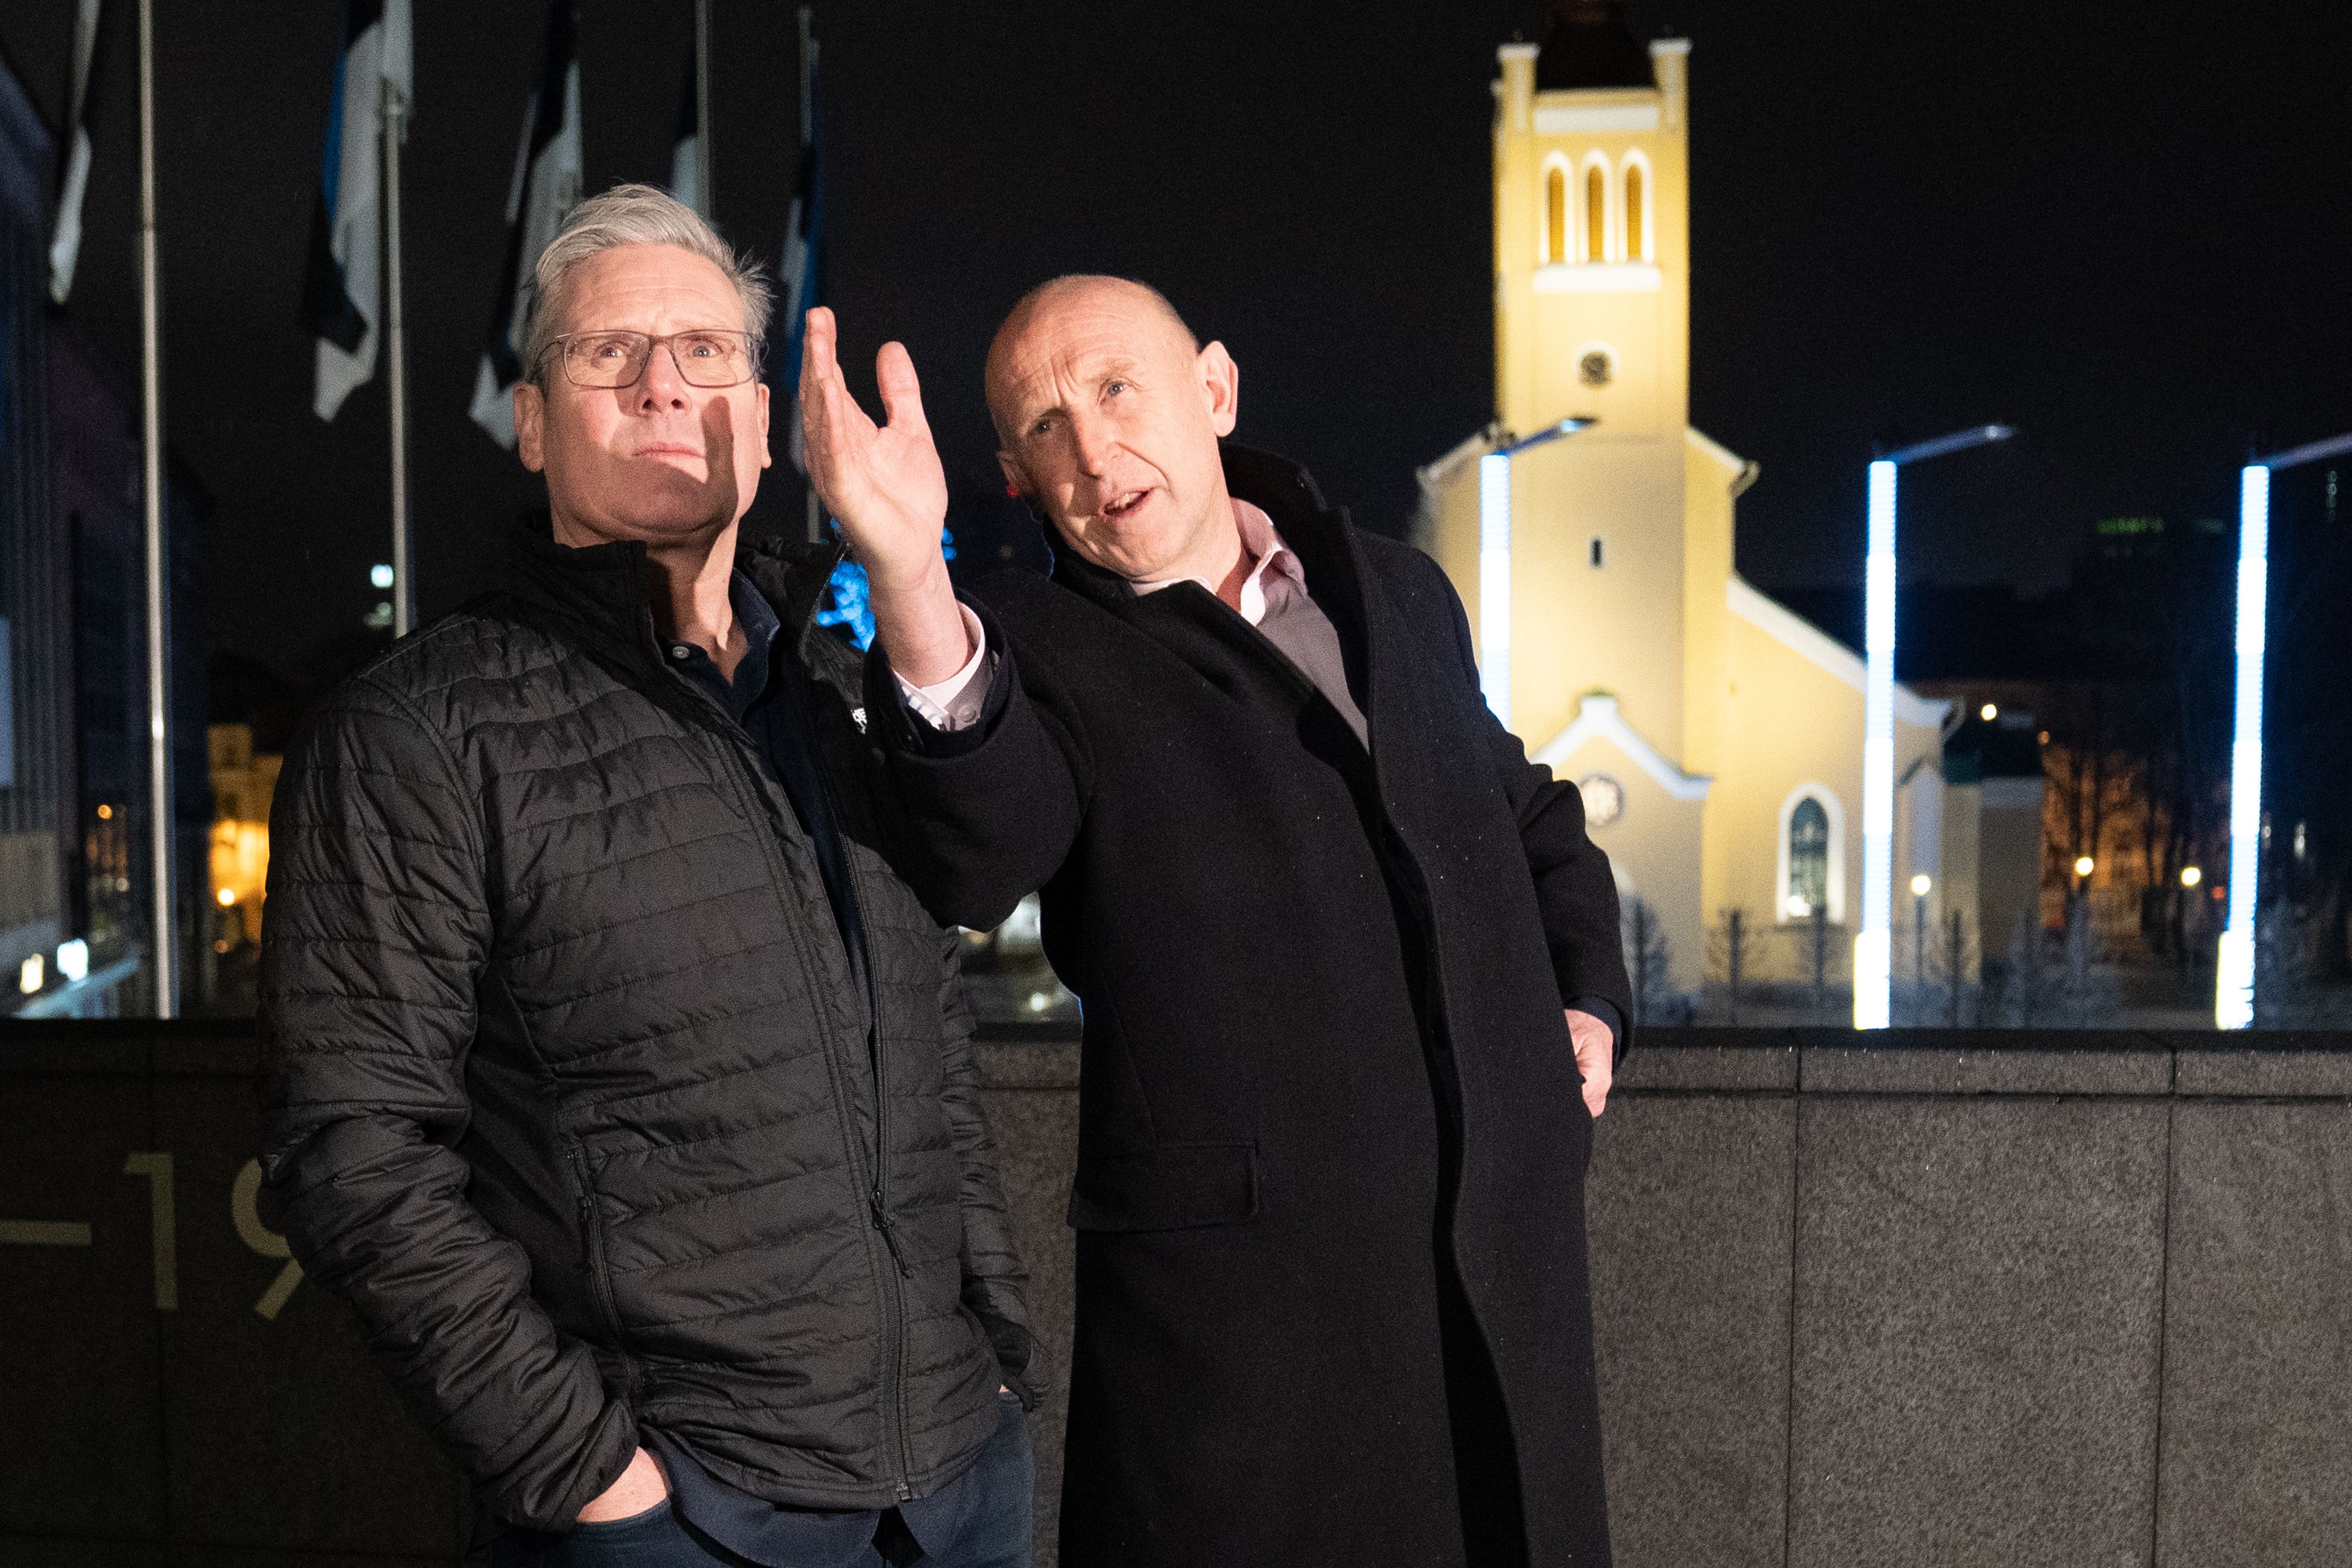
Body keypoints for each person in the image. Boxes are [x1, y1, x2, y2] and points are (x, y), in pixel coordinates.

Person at [256, 185, 1041, 1568]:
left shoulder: (838, 693)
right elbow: (354, 1145)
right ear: (535, 422)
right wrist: (585, 1472)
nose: (664, 386)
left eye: (705, 350)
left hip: (955, 1482)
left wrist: (993, 1346)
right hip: (681, 1509)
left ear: (765, 413)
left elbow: (939, 1017)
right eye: (607, 355)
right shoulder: (416, 728)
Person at [799, 276, 1634, 1567]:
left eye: (1117, 390)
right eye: (1042, 428)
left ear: (1216, 390)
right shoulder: (1035, 650)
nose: (1091, 450)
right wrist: (908, 576)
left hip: (1501, 1306)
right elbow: (975, 846)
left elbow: (1529, 823)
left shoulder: (1398, 593)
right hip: (1251, 1367)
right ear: (1013, 479)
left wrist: (1586, 1002)